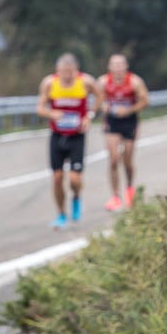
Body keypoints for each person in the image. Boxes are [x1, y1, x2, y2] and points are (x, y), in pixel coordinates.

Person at [35, 53, 101, 229]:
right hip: (57, 135)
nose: (66, 75)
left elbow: (100, 97)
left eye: (70, 72)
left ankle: (77, 198)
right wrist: (51, 113)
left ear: (76, 71)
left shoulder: (85, 82)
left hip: (77, 136)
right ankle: (61, 214)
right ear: (57, 71)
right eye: (63, 72)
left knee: (74, 179)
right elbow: (40, 108)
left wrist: (89, 115)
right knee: (57, 177)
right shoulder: (49, 83)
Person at [100, 53, 149, 211]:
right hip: (112, 122)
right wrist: (103, 107)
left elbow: (145, 101)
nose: (118, 68)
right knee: (113, 159)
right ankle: (115, 196)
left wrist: (128, 110)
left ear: (126, 67)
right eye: (115, 65)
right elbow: (98, 100)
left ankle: (129, 189)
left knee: (127, 160)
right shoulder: (103, 81)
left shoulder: (135, 81)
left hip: (129, 122)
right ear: (109, 67)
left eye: (121, 65)